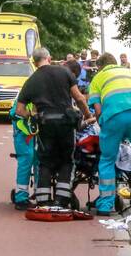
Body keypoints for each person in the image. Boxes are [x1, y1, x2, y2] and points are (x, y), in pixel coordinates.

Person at [14, 48, 95, 207]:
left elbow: (19, 110)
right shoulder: (64, 72)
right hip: (66, 123)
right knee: (67, 160)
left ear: (34, 61)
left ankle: (43, 200)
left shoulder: (31, 80)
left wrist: (33, 117)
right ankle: (62, 200)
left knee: (45, 161)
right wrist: (87, 116)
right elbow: (78, 98)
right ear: (49, 58)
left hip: (45, 126)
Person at [87, 53, 131, 215]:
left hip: (113, 116)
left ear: (100, 67)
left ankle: (105, 205)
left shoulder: (98, 78)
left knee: (107, 160)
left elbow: (98, 110)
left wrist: (105, 127)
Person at [8, 99, 38, 210]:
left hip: (39, 134)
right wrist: (28, 115)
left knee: (41, 161)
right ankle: (21, 198)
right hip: (24, 134)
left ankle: (41, 194)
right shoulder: (26, 94)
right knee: (27, 159)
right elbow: (14, 112)